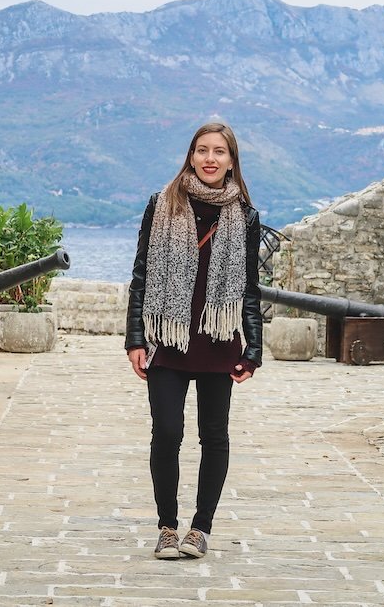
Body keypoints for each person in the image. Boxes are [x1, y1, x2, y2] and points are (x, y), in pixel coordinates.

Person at [125, 122, 263, 560]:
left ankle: (200, 528)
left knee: (214, 436)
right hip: (167, 338)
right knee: (166, 433)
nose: (209, 159)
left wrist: (253, 349)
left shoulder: (245, 215)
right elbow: (141, 277)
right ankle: (167, 527)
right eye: (202, 150)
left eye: (219, 152)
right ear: (190, 156)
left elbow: (250, 289)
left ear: (231, 161)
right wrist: (135, 338)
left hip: (218, 340)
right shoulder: (161, 205)